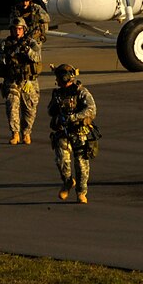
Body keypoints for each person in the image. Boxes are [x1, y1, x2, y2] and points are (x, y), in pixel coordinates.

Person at [48, 64, 98, 204]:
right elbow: (50, 111)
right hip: (63, 132)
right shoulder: (57, 94)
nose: (57, 81)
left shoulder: (81, 92)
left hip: (79, 132)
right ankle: (67, 181)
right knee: (61, 160)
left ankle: (81, 192)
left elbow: (91, 109)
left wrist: (74, 117)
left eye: (58, 78)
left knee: (81, 165)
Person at [0, 17, 42, 145]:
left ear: (24, 29)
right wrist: (6, 58)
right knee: (12, 105)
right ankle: (15, 133)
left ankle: (26, 133)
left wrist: (27, 50)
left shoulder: (31, 43)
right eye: (14, 29)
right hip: (12, 80)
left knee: (29, 109)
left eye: (19, 29)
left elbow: (37, 57)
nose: (17, 32)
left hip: (28, 81)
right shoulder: (5, 44)